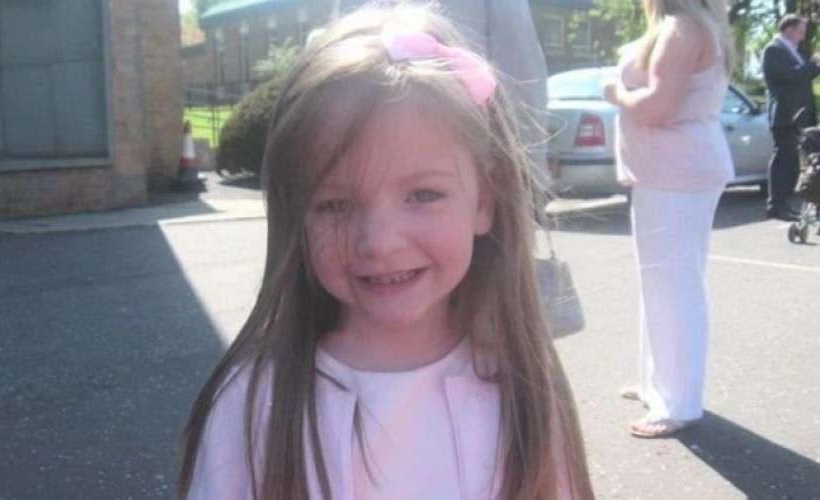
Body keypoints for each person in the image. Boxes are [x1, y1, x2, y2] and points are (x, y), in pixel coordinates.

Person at [177, 3, 594, 499]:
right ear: (297, 214)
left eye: (423, 195)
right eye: (335, 205)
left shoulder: (523, 384)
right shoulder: (255, 404)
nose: (378, 241)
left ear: (485, 200)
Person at [602, 0, 734, 438]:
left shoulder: (681, 28)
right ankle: (657, 385)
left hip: (674, 173)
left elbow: (658, 107)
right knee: (663, 284)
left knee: (674, 288)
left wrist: (614, 93)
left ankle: (677, 403)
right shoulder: (694, 24)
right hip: (671, 172)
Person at [762, 14, 820, 221]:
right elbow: (787, 77)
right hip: (785, 114)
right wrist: (812, 65)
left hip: (801, 115)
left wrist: (815, 66)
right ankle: (776, 205)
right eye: (800, 31)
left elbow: (803, 76)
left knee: (796, 163)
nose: (803, 36)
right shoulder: (774, 50)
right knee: (783, 160)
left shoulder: (795, 51)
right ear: (789, 30)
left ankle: (787, 203)